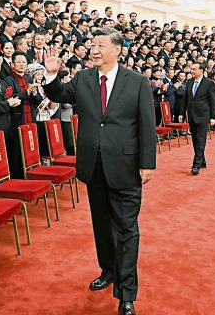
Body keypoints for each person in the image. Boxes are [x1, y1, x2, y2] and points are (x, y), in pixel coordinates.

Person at [43, 27, 156, 315]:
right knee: (102, 225)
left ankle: (126, 294)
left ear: (117, 49)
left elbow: (147, 125)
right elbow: (60, 94)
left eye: (101, 45)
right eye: (92, 44)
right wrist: (51, 75)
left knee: (127, 229)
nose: (94, 49)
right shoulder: (83, 78)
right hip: (93, 166)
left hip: (126, 167)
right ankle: (108, 270)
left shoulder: (138, 82)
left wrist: (147, 163)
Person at [179, 62, 215, 175]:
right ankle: (202, 160)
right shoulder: (189, 82)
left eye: (194, 69)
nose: (192, 71)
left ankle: (196, 165)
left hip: (203, 115)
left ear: (201, 70)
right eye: (192, 69)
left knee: (200, 140)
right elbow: (185, 99)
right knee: (195, 139)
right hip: (191, 115)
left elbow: (212, 101)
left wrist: (212, 117)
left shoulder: (209, 83)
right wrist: (181, 113)